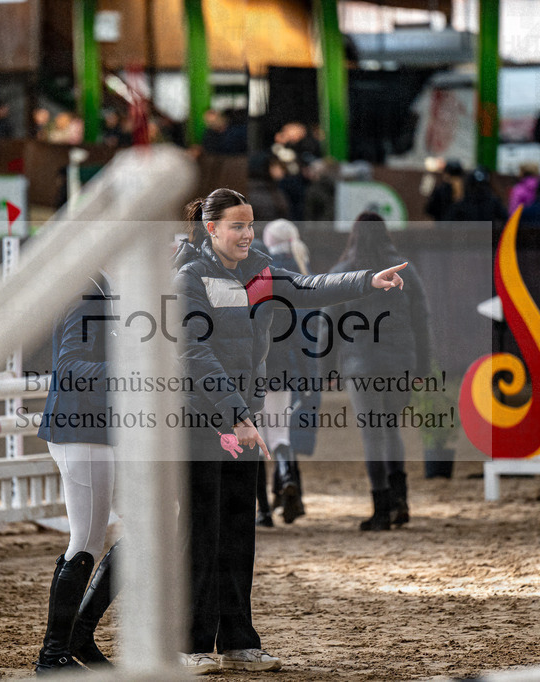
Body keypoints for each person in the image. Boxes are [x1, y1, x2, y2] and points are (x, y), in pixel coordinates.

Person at [172, 188, 410, 674]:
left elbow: (310, 287)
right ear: (212, 228)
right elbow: (194, 353)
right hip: (203, 422)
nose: (247, 234)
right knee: (203, 533)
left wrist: (368, 279)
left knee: (239, 530)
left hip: (243, 423)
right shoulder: (190, 278)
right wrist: (236, 412)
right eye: (237, 226)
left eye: (251, 225)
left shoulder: (260, 271)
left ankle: (238, 641)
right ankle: (190, 644)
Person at [33, 272, 119, 674]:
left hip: (97, 428)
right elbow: (70, 365)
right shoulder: (88, 292)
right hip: (79, 429)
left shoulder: (102, 287)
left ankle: (77, 637)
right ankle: (53, 656)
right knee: (84, 540)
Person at [322, 212, 431, 531]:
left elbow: (327, 324)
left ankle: (381, 508)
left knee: (372, 435)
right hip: (399, 363)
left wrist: (326, 367)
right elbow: (421, 319)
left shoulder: (342, 272)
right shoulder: (405, 271)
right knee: (392, 428)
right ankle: (401, 501)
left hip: (361, 364)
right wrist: (423, 365)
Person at [258, 219, 318, 525]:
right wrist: (309, 375)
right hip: (285, 370)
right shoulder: (300, 272)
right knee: (281, 437)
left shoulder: (258, 281)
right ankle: (286, 481)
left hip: (256, 373)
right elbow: (302, 335)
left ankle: (265, 510)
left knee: (256, 440)